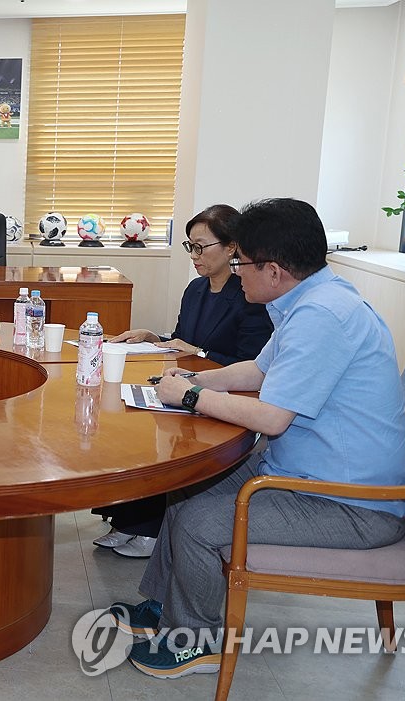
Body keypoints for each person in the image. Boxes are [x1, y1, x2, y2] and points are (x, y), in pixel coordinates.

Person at [113, 198, 405, 680]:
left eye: (241, 262)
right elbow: (258, 370)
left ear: (273, 271)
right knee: (186, 486)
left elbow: (272, 418)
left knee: (199, 522)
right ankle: (167, 607)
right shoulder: (311, 299)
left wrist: (191, 397)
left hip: (353, 503)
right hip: (302, 471)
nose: (237, 272)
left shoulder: (323, 316)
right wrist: (195, 380)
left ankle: (196, 640)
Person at [95, 205, 273, 558]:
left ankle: (149, 528)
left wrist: (200, 352)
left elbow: (251, 364)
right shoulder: (195, 289)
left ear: (231, 247)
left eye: (201, 247)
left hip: (222, 397)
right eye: (190, 246)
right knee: (133, 427)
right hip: (185, 386)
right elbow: (182, 340)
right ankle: (129, 521)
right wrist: (154, 337)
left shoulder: (249, 296)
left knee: (158, 443)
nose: (194, 255)